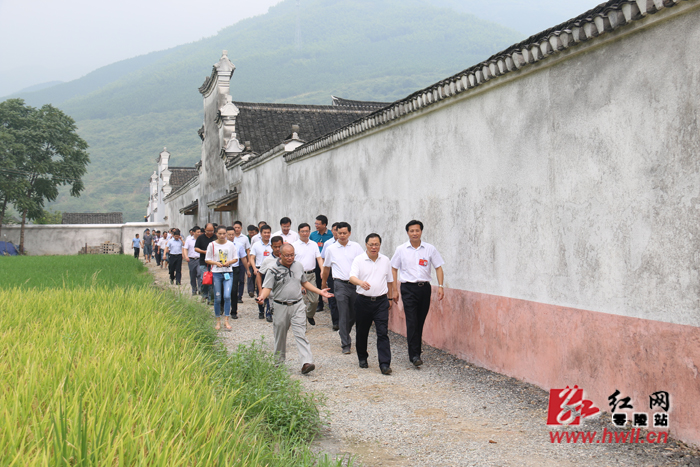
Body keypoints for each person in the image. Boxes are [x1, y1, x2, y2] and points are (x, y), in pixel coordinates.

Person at [257, 243, 333, 374]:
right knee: (280, 336)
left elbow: (304, 282)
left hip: (297, 305)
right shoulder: (272, 269)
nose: (290, 258)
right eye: (287, 255)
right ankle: (278, 363)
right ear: (280, 255)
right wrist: (262, 297)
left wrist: (320, 292)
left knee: (301, 333)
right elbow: (267, 287)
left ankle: (306, 362)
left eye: (292, 255)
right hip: (280, 306)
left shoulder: (298, 266)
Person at [391, 220, 445, 367]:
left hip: (424, 289)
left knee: (420, 321)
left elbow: (438, 267)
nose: (414, 233)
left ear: (421, 231)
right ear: (407, 233)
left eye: (417, 230)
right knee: (412, 321)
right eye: (411, 231)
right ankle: (414, 355)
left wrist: (440, 286)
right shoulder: (401, 249)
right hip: (408, 289)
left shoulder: (429, 249)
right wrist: (395, 290)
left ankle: (416, 352)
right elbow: (393, 268)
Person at [350, 233, 394, 375]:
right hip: (363, 301)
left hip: (381, 301)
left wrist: (391, 298)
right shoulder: (359, 260)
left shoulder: (385, 260)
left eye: (376, 244)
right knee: (362, 332)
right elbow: (351, 277)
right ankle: (362, 357)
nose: (374, 247)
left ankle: (385, 364)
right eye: (371, 244)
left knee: (383, 332)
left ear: (380, 245)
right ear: (366, 245)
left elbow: (390, 281)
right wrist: (361, 283)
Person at [322, 222, 364, 354]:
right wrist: (324, 284)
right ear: (336, 233)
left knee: (354, 314)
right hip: (339, 284)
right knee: (343, 313)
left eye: (344, 233)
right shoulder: (331, 249)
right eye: (339, 233)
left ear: (349, 233)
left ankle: (344, 329)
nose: (342, 235)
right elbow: (326, 267)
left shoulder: (356, 247)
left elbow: (363, 263)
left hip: (355, 285)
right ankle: (345, 343)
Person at [205, 226, 239, 330]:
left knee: (227, 296)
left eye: (224, 233)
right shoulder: (212, 245)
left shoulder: (230, 245)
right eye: (220, 233)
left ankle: (226, 320)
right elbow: (207, 259)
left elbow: (235, 258)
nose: (222, 235)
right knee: (218, 297)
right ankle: (218, 321)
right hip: (216, 273)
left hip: (228, 272)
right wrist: (215, 263)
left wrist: (229, 262)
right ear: (216, 234)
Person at [292, 223, 324, 325]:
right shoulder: (294, 246)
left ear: (309, 232)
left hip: (311, 275)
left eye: (307, 231)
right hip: (297, 276)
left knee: (315, 300)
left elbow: (319, 257)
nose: (305, 233)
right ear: (298, 232)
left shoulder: (314, 244)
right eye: (302, 231)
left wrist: (322, 269)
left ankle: (309, 315)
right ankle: (301, 325)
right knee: (300, 302)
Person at [251, 227, 277, 321]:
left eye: (268, 232)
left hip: (271, 270)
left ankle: (269, 311)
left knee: (270, 292)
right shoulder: (256, 245)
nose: (267, 234)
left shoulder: (274, 244)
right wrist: (254, 268)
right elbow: (252, 257)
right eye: (265, 232)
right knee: (260, 291)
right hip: (260, 270)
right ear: (260, 233)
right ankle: (261, 311)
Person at [310, 215, 333, 313]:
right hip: (317, 262)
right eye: (315, 223)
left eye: (318, 224)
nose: (316, 225)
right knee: (318, 282)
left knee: (331, 282)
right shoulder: (313, 235)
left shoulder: (331, 235)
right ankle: (320, 303)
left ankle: (332, 303)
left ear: (324, 224)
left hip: (329, 262)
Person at [225, 226, 250, 318]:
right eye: (229, 234)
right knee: (223, 289)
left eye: (233, 234)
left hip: (234, 270)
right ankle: (222, 307)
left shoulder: (238, 245)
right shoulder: (222, 245)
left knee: (234, 290)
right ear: (226, 235)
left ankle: (234, 311)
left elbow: (243, 258)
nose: (231, 236)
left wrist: (247, 270)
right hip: (223, 269)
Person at [321, 223, 340, 330]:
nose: (336, 232)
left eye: (338, 230)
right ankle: (335, 321)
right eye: (334, 230)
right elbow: (323, 259)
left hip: (343, 275)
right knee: (333, 298)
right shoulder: (328, 244)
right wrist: (324, 274)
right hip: (332, 273)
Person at [195, 223, 217, 304]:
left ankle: (211, 298)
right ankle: (204, 295)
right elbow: (196, 248)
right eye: (208, 231)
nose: (210, 232)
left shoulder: (215, 237)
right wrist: (204, 252)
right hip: (203, 261)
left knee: (212, 280)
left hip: (213, 262)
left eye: (212, 231)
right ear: (205, 230)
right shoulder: (200, 237)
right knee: (204, 279)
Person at [232, 221, 252, 303]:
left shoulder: (245, 238)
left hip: (241, 260)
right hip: (231, 261)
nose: (236, 229)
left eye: (238, 228)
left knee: (241, 279)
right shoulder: (230, 237)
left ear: (241, 228)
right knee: (233, 279)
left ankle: (239, 296)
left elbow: (248, 250)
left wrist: (249, 260)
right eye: (235, 227)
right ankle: (232, 295)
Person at [184, 225, 201, 296]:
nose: (199, 233)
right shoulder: (189, 240)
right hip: (191, 260)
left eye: (200, 232)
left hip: (200, 259)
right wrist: (186, 256)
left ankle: (200, 289)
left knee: (200, 274)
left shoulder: (201, 240)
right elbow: (185, 248)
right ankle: (194, 289)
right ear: (193, 232)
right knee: (192, 275)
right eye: (198, 232)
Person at [246, 225, 259, 295]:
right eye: (250, 233)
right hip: (250, 258)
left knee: (256, 275)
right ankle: (251, 290)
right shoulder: (246, 238)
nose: (251, 234)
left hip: (257, 258)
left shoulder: (256, 238)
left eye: (253, 232)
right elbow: (248, 250)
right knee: (250, 274)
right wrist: (249, 260)